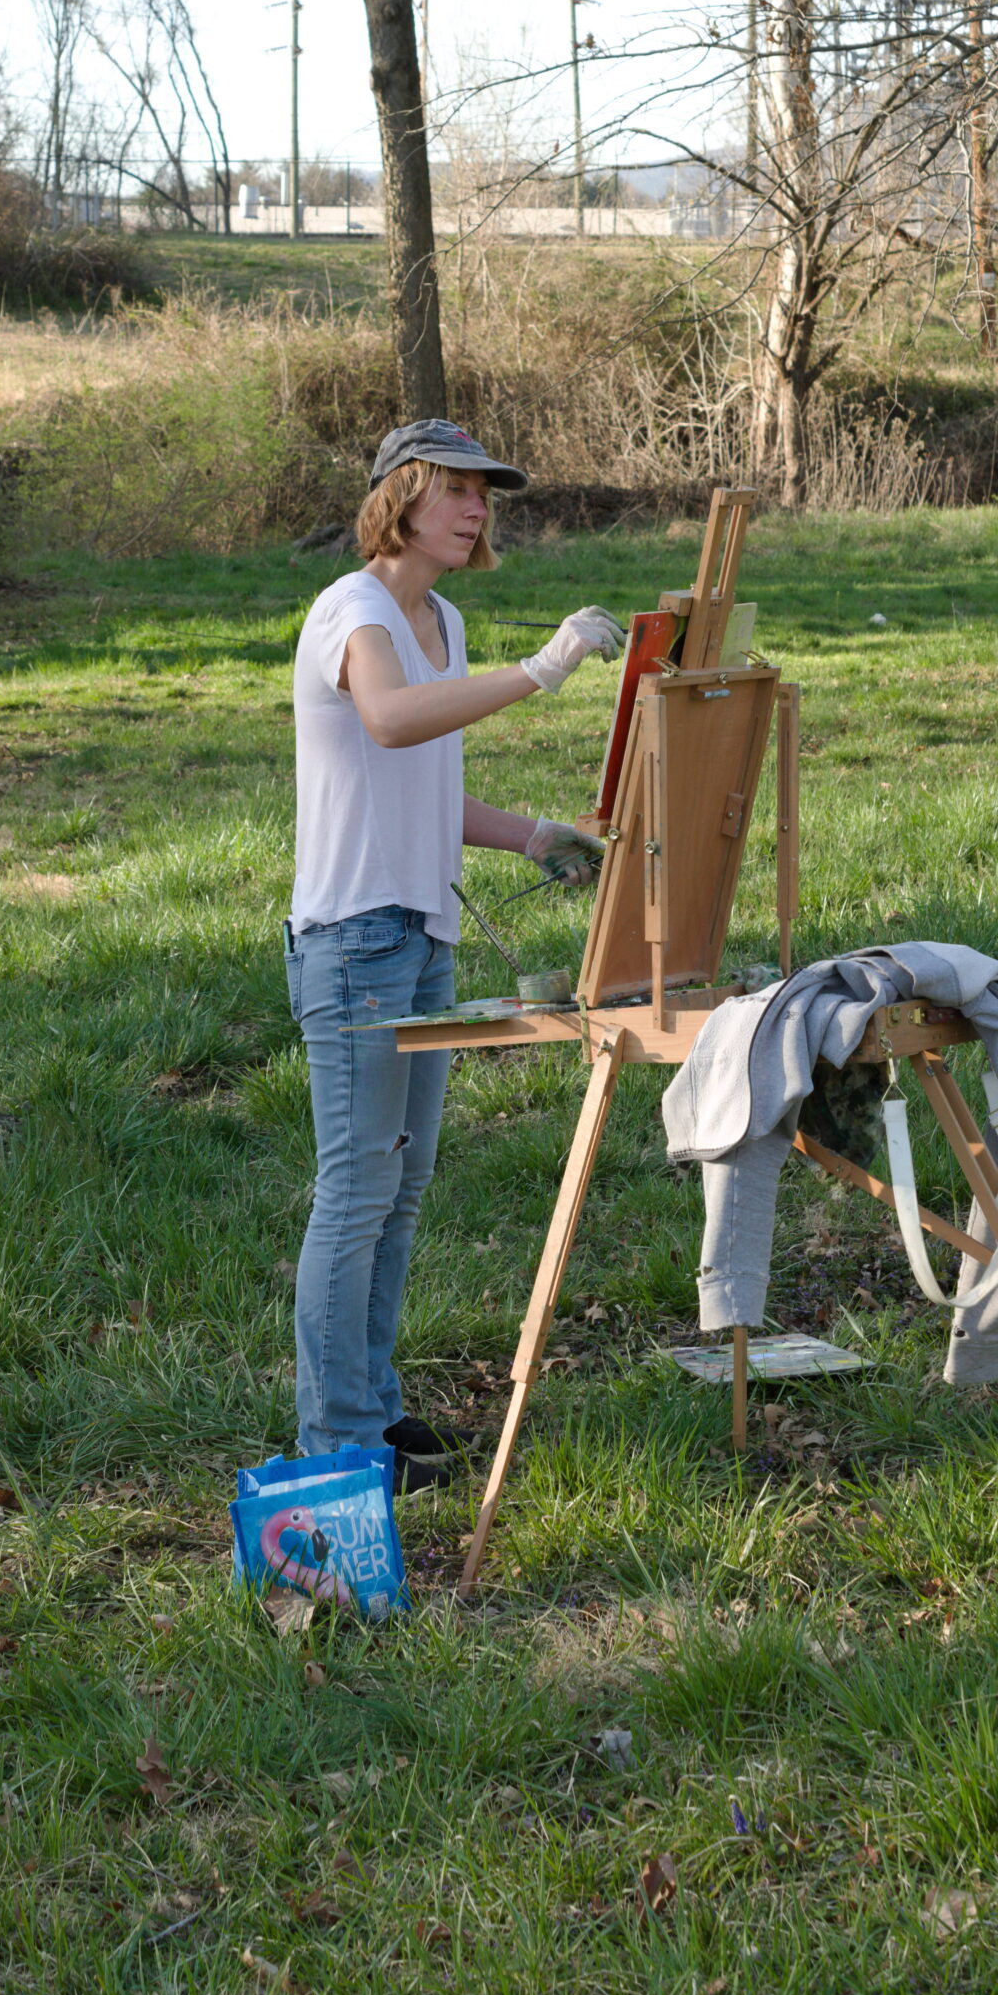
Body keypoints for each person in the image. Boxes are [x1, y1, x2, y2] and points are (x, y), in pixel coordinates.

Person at [284, 419, 625, 1491]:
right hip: (353, 940)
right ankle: (336, 1444)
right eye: (459, 490)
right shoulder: (357, 609)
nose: (479, 508)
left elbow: (424, 782)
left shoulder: (441, 619)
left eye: (488, 493)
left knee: (401, 1185)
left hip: (420, 929)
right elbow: (387, 721)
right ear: (402, 496)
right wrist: (546, 668)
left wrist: (531, 834)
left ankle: (372, 1415)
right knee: (355, 1188)